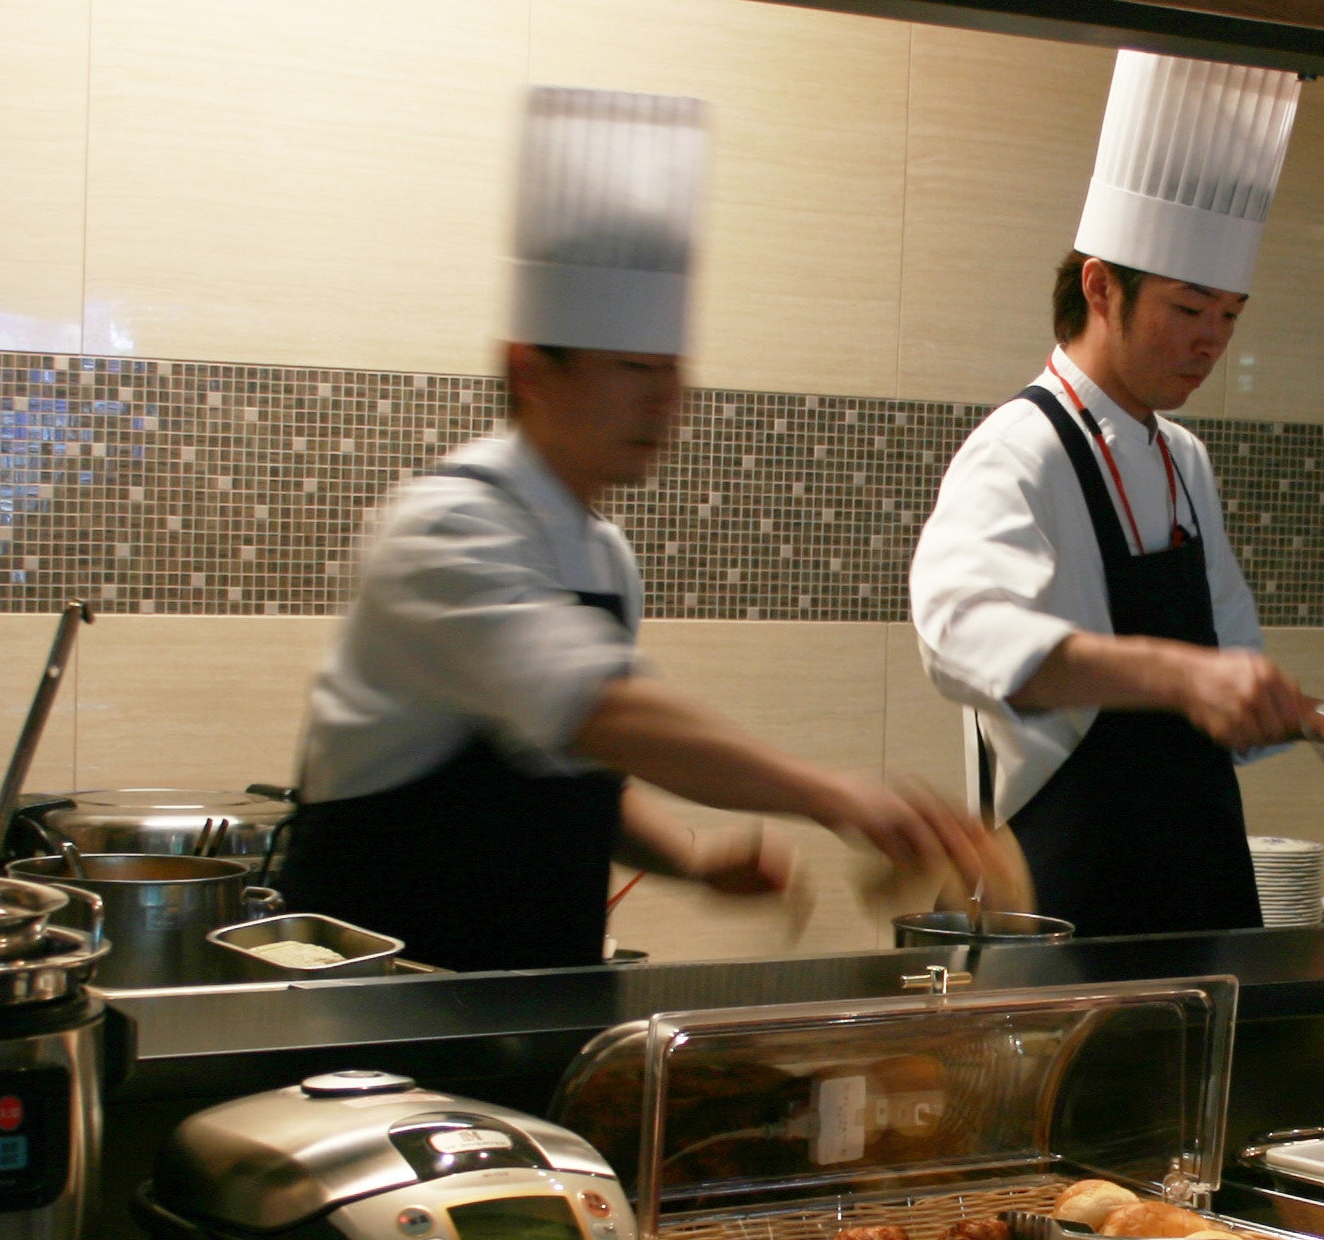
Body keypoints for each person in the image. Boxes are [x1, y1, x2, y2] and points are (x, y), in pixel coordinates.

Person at [290, 87, 994, 971]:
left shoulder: (602, 554)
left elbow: (563, 769)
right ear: (529, 370)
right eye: (632, 368)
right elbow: (602, 714)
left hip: (529, 992)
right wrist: (832, 795)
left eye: (672, 370)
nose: (665, 401)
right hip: (382, 1003)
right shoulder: (444, 531)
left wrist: (690, 861)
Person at [908, 51, 1324, 937]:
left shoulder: (1184, 460)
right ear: (1100, 286)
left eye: (1230, 315)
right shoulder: (1019, 447)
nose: (1211, 342)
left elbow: (1225, 681)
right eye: (1189, 311)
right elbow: (959, 634)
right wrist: (1178, 673)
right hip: (1067, 910)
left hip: (1199, 898)